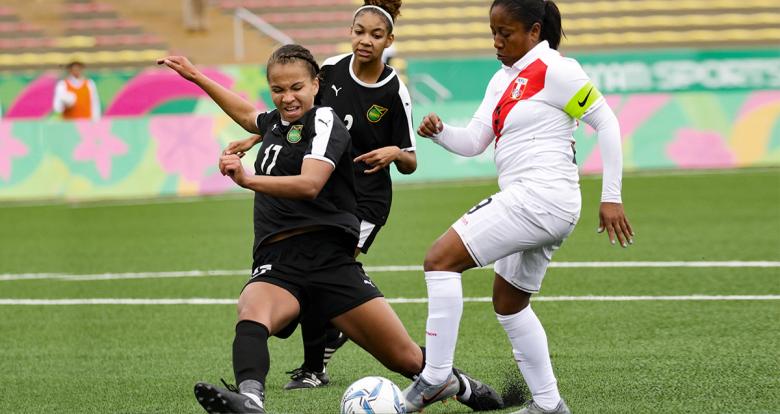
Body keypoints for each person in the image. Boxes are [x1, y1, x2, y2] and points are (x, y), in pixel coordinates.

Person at [158, 44, 502, 414]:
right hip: (279, 260)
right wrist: (195, 76)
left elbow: (310, 184)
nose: (287, 97)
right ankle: (251, 402)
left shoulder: (324, 121)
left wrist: (246, 179)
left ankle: (459, 385)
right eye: (278, 90)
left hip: (331, 260)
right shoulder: (276, 123)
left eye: (296, 88)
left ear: (316, 85)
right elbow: (246, 114)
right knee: (252, 314)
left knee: (403, 357)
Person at [400, 1, 634, 413]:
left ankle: (436, 376)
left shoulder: (557, 70)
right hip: (542, 204)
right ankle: (548, 404)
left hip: (541, 196)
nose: (496, 41)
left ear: (534, 30)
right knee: (510, 304)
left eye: (505, 32)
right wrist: (439, 133)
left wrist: (611, 196)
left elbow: (608, 122)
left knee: (439, 260)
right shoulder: (502, 80)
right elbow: (474, 142)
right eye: (493, 31)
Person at [222, 0, 417, 391]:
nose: (365, 41)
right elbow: (300, 113)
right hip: (329, 189)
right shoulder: (328, 70)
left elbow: (411, 159)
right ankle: (323, 346)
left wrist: (395, 153)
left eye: (376, 35)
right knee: (320, 278)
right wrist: (259, 133)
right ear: (350, 32)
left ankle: (316, 364)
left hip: (365, 200)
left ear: (389, 41)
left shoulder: (395, 90)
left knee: (326, 273)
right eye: (359, 32)